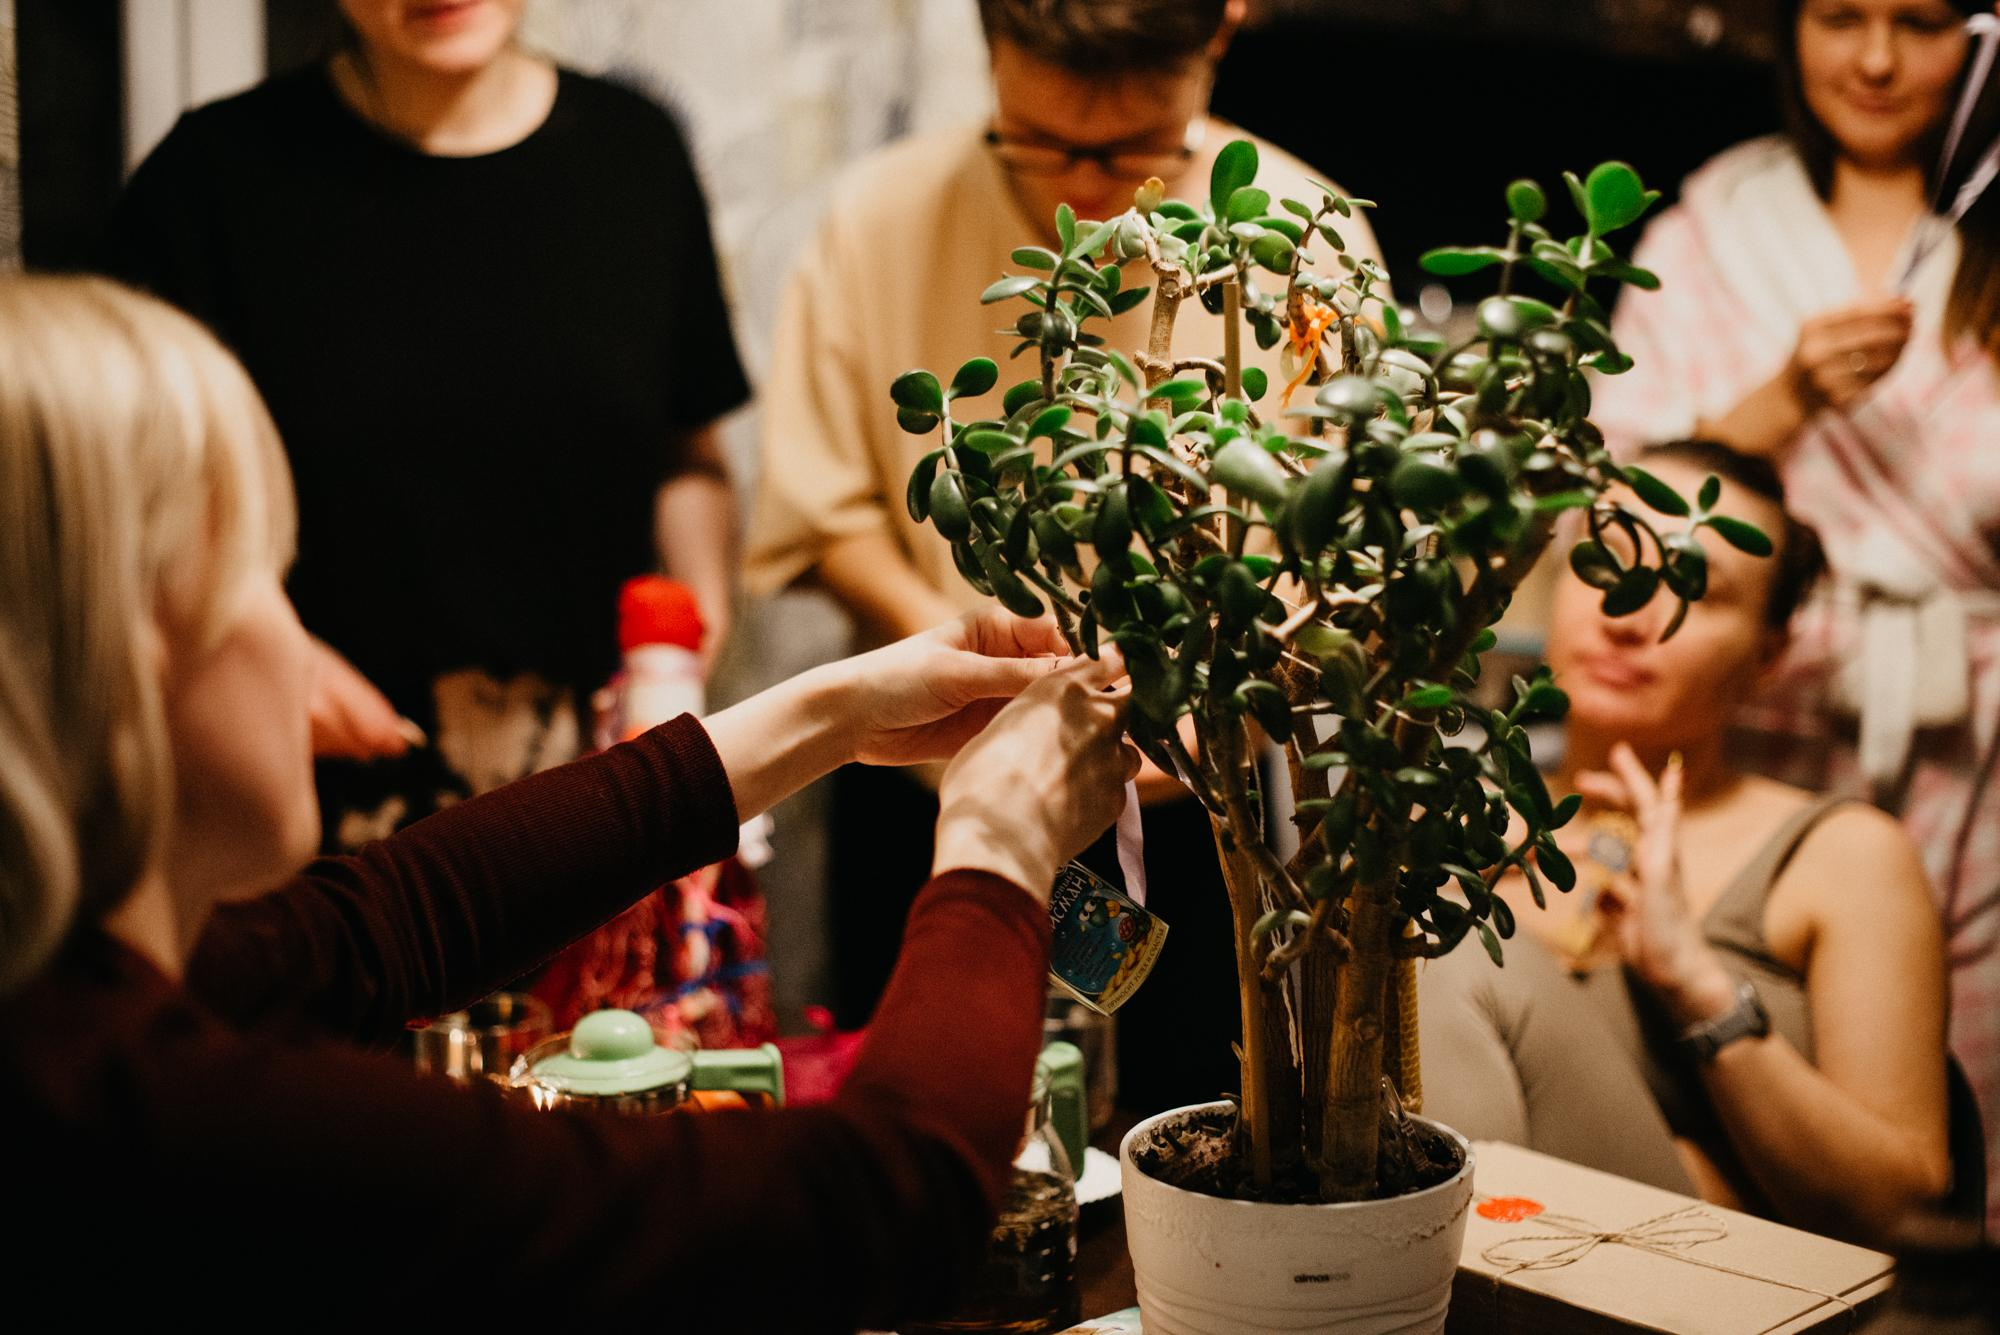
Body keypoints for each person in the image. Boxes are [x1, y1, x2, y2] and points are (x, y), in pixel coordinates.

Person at [0, 275, 1138, 1324]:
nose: (300, 651)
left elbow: (388, 919)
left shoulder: (68, 1002)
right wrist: (998, 842)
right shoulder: (168, 1126)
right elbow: (885, 1206)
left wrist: (832, 713)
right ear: (127, 659)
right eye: (263, 575)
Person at [744, 0, 1384, 1110]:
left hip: (1191, 796)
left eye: (1137, 147)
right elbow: (827, 507)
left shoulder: (1303, 231)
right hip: (926, 770)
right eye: (1034, 139)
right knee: (907, 1141)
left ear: (1218, 38)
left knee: (1182, 1134)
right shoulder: (880, 217)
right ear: (987, 53)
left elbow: (1333, 538)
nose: (1083, 184)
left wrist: (1204, 700)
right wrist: (971, 669)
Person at [100, 0, 748, 848]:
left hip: (594, 813)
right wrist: (261, 659)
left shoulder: (637, 152)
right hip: (303, 823)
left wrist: (684, 648)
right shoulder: (209, 181)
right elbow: (123, 515)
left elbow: (685, 452)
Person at [1589, 0, 2000, 1234]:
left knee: (1957, 1107)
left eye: (1919, 23)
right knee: (1749, 1075)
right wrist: (1775, 403)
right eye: (1838, 18)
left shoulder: (1988, 226)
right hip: (1755, 709)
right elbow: (1611, 493)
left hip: (1978, 753)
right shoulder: (1715, 226)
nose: (1873, 61)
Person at [1419, 441, 1955, 1249]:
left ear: (1769, 654)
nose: (1630, 614)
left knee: (1452, 952)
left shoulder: (1842, 856)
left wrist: (1695, 981)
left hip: (1712, 1292)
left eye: (1694, 589)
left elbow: (1912, 1212)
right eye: (1605, 564)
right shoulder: (1467, 822)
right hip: (1477, 1261)